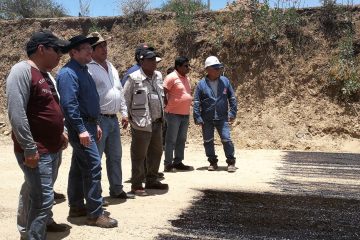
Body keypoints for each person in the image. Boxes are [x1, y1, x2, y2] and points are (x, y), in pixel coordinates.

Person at [6, 30, 69, 240]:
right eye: (57, 50)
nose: (61, 54)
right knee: (42, 200)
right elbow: (16, 113)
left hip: (52, 147)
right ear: (41, 49)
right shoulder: (21, 71)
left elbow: (54, 107)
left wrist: (62, 132)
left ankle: (27, 230)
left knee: (36, 192)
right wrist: (29, 147)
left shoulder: (47, 75)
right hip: (37, 149)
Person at [57, 34, 117, 228]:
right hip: (81, 127)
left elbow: (89, 101)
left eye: (91, 48)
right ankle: (95, 213)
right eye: (86, 49)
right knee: (93, 166)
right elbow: (69, 105)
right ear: (74, 52)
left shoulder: (84, 70)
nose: (91, 51)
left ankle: (76, 207)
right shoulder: (68, 74)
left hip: (90, 124)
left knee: (78, 167)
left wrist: (96, 123)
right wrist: (82, 129)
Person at [86, 32, 133, 199]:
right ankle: (96, 195)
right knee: (95, 159)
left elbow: (118, 91)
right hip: (98, 119)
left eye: (105, 45)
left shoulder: (111, 66)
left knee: (115, 156)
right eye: (100, 46)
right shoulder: (88, 68)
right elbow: (89, 96)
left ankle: (117, 189)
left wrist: (124, 113)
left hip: (113, 119)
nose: (104, 49)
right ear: (91, 50)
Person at [123, 49, 169, 196]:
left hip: (157, 121)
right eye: (150, 60)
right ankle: (136, 184)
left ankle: (152, 180)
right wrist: (125, 115)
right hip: (141, 122)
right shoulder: (133, 78)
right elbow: (125, 98)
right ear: (141, 62)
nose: (154, 63)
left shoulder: (158, 76)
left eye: (154, 60)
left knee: (156, 153)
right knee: (139, 155)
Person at [193, 56, 238, 172]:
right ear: (208, 69)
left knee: (226, 139)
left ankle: (231, 162)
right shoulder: (201, 84)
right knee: (208, 141)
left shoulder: (225, 81)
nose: (219, 70)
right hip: (206, 118)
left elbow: (232, 98)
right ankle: (212, 162)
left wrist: (232, 112)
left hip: (222, 117)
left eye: (219, 68)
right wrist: (197, 116)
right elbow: (196, 101)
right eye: (216, 68)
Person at [163, 56, 193, 172]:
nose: (188, 68)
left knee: (181, 139)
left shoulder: (186, 78)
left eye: (188, 65)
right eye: (186, 66)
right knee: (171, 139)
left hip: (185, 114)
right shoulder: (171, 77)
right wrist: (166, 104)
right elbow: (163, 93)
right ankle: (168, 164)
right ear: (178, 66)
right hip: (173, 114)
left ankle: (178, 162)